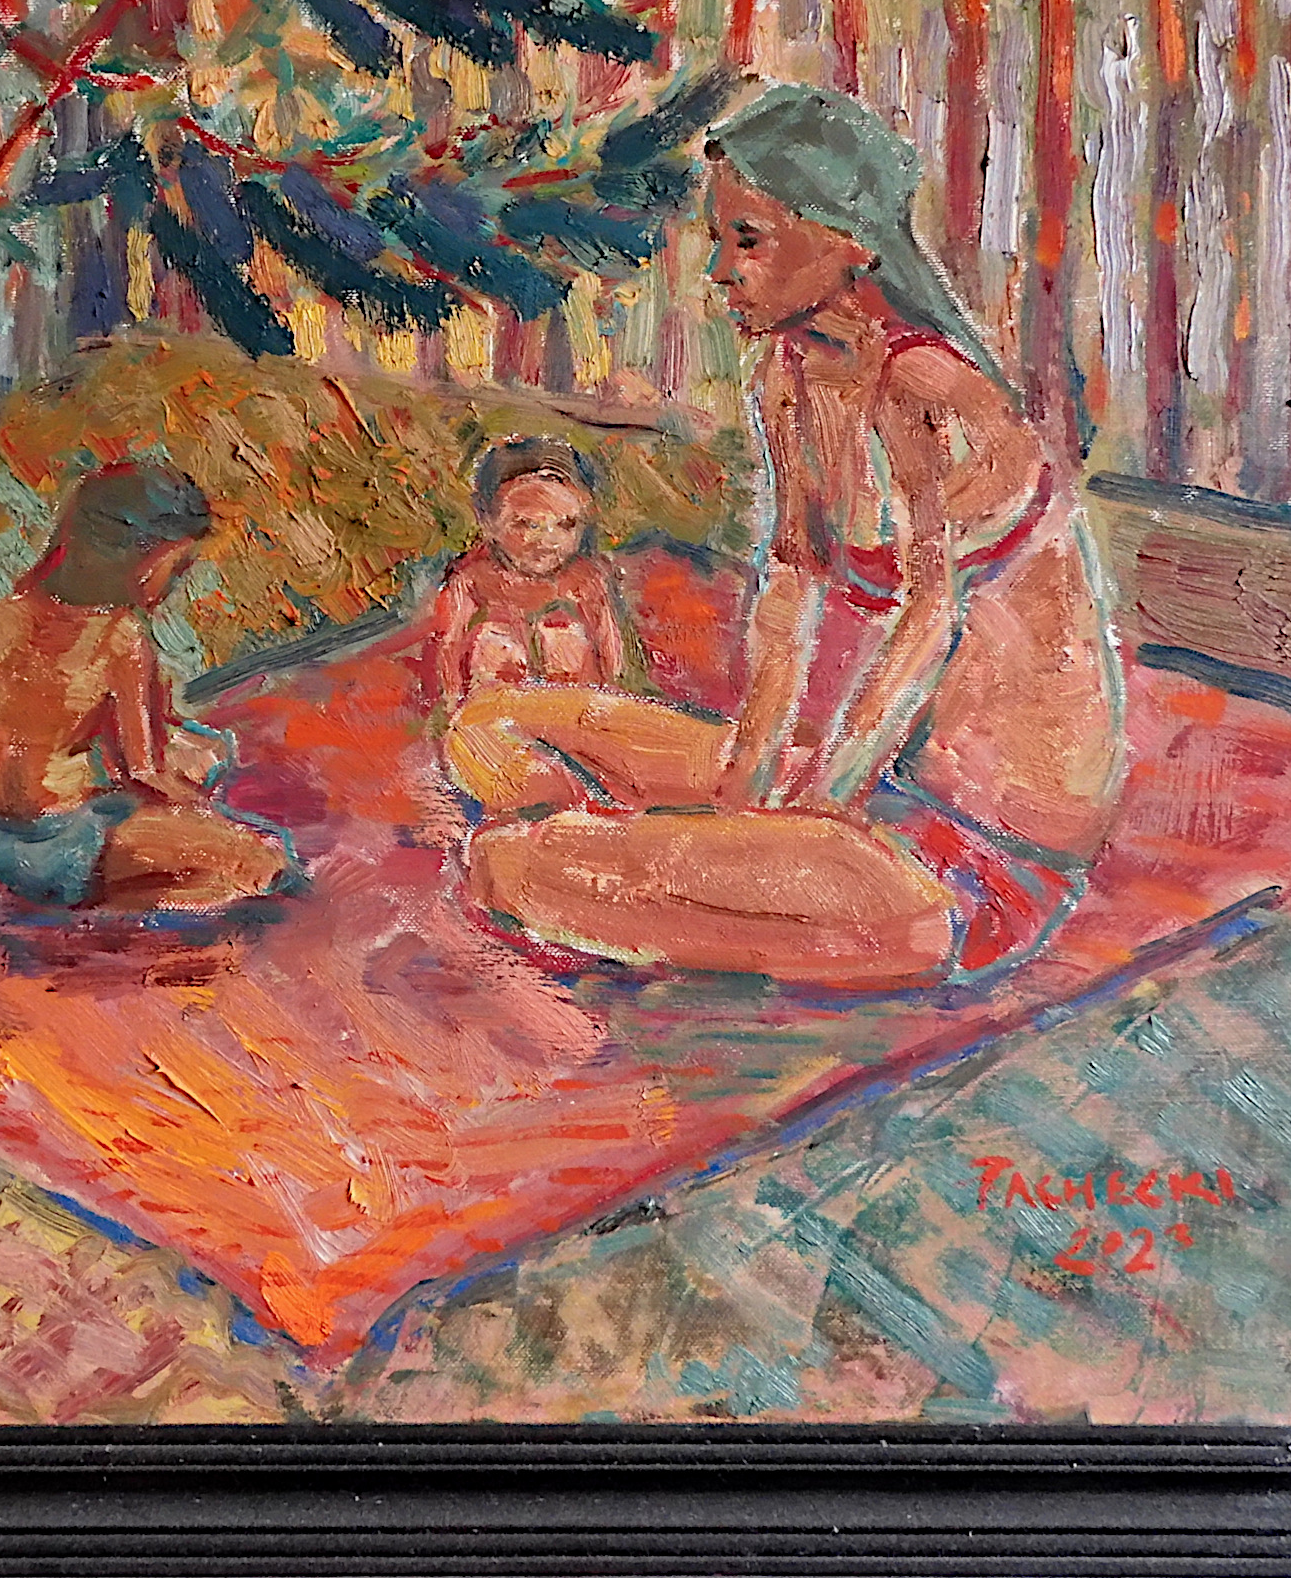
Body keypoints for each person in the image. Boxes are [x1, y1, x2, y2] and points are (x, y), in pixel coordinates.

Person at [465, 85, 1127, 991]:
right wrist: (747, 781)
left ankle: (625, 855)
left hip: (963, 851)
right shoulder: (788, 378)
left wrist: (806, 812)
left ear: (849, 240)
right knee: (490, 723)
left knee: (513, 868)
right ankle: (644, 853)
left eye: (749, 240)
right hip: (852, 777)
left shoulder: (927, 390)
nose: (719, 271)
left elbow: (929, 625)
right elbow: (789, 594)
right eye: (718, 240)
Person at [0, 461, 290, 915]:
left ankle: (144, 884)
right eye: (176, 566)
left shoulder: (7, 615)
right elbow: (144, 772)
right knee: (261, 854)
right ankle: (165, 889)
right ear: (138, 556)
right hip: (68, 849)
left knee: (192, 761)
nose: (175, 582)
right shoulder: (120, 638)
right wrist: (203, 817)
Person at [432, 436, 728, 817]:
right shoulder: (468, 586)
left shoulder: (589, 584)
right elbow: (451, 692)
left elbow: (617, 680)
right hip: (500, 750)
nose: (547, 541)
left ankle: (712, 770)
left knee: (698, 757)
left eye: (566, 524)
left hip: (591, 740)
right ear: (488, 520)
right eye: (525, 524)